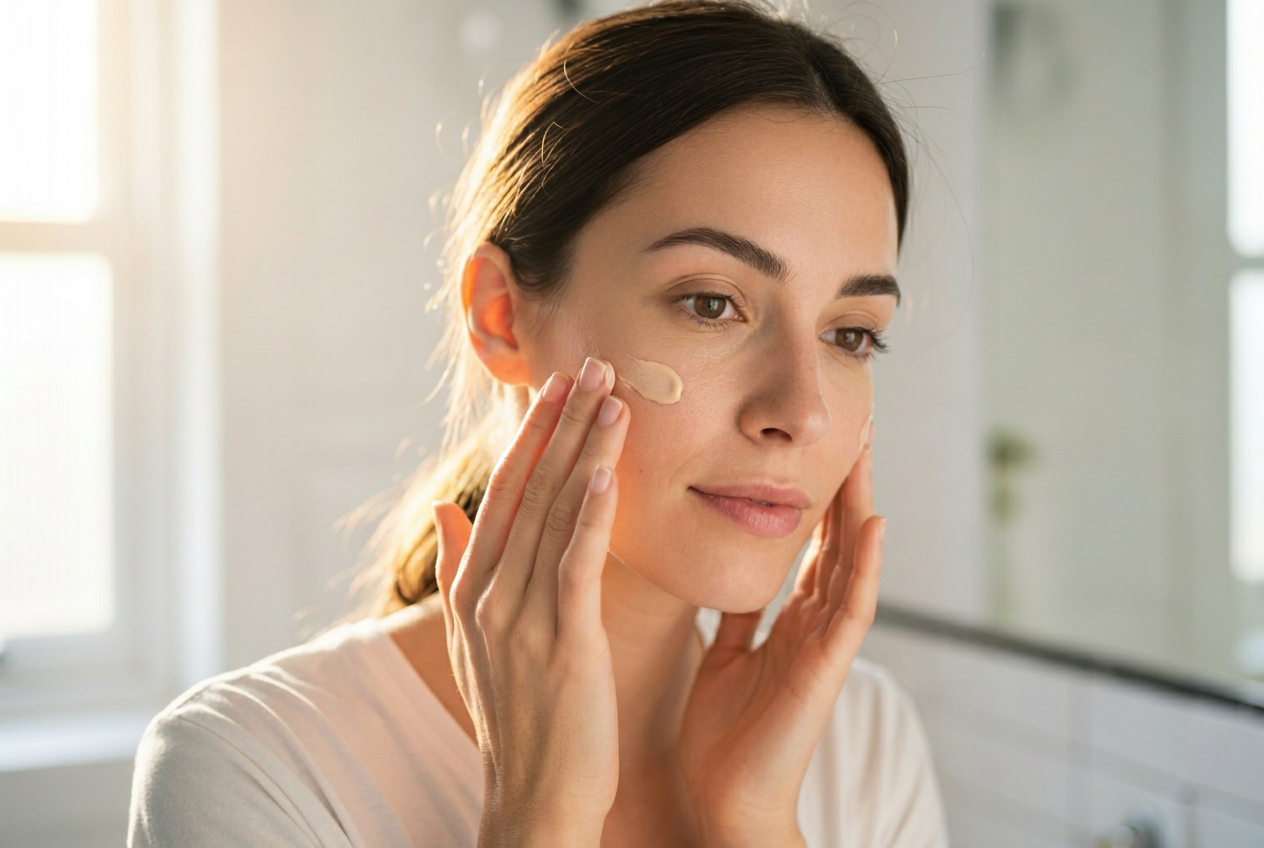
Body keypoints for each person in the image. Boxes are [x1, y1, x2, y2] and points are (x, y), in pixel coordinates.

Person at [128, 2, 950, 845]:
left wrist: (757, 821)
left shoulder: (864, 744)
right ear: (501, 315)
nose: (802, 412)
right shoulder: (251, 767)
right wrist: (541, 814)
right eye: (711, 303)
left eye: (851, 334)